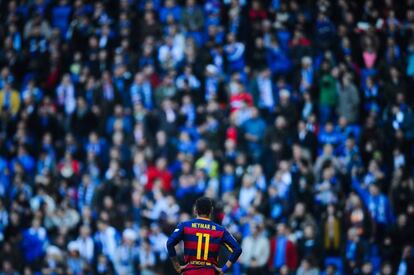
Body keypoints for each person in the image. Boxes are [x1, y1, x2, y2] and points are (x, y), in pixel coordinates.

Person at [166, 197, 242, 274]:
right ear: (211, 210)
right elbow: (237, 249)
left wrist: (176, 265)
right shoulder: (220, 230)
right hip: (210, 271)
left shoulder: (185, 226)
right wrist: (224, 269)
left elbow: (170, 243)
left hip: (190, 271)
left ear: (195, 210)